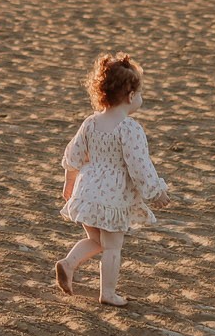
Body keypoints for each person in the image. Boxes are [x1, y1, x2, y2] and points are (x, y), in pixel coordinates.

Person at [55, 53, 169, 308]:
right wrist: (155, 191)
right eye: (139, 94)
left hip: (86, 193)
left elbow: (72, 154)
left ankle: (68, 263)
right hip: (113, 197)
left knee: (96, 241)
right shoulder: (130, 129)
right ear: (130, 97)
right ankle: (107, 292)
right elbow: (140, 166)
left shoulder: (90, 123)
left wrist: (69, 183)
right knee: (112, 247)